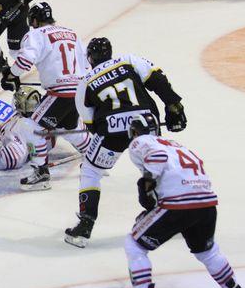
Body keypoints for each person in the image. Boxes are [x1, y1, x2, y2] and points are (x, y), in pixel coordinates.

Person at [119, 113, 245, 288]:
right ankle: (233, 287)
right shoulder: (177, 145)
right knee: (206, 250)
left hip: (178, 204)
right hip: (206, 203)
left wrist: (147, 183)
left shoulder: (140, 141)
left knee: (134, 244)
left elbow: (156, 159)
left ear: (135, 130)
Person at [64, 37, 187, 248]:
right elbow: (157, 79)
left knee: (91, 171)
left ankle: (86, 223)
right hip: (147, 124)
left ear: (90, 58)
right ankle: (165, 214)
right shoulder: (128, 61)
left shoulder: (85, 82)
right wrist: (174, 106)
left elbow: (91, 123)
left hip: (112, 131)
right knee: (153, 168)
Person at [0, 2, 92, 183]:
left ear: (34, 20)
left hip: (59, 93)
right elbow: (87, 65)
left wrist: (10, 75)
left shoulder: (36, 34)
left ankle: (41, 173)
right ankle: (94, 162)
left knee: (31, 127)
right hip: (79, 92)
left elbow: (25, 61)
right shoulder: (72, 34)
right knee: (70, 128)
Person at [0, 86, 63, 190]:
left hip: (5, 143)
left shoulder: (24, 128)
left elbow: (14, 158)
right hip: (12, 129)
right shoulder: (47, 115)